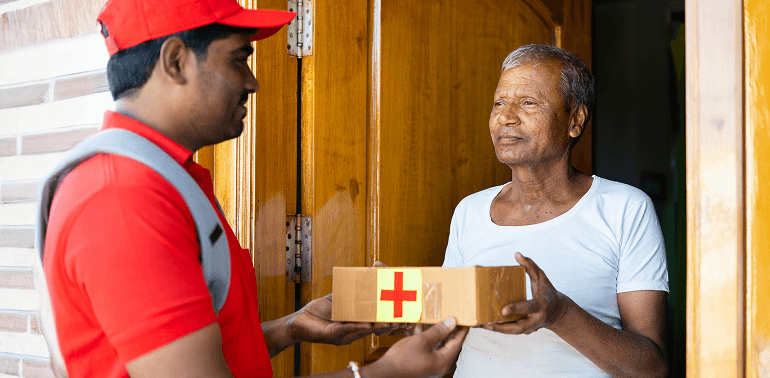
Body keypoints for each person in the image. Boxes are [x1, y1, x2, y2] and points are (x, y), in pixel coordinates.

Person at [41, 0, 467, 377]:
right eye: (238, 59)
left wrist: (292, 327)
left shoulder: (164, 177)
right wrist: (383, 373)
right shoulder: (124, 200)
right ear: (175, 62)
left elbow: (198, 352)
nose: (253, 82)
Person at [442, 44, 668, 377]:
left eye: (528, 103)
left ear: (575, 120)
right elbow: (446, 332)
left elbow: (651, 369)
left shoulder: (626, 210)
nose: (505, 117)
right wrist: (397, 316)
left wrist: (559, 313)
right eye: (499, 103)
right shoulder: (470, 211)